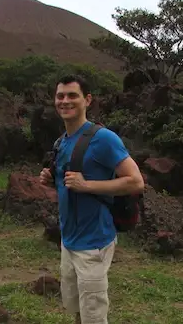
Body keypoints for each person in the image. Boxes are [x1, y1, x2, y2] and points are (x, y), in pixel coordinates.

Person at [39, 74, 144, 324]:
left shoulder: (103, 138)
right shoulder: (61, 142)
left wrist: (87, 185)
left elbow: (136, 181)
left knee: (94, 316)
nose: (65, 101)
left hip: (94, 241)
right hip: (69, 239)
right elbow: (67, 185)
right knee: (77, 308)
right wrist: (50, 179)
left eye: (72, 95)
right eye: (60, 96)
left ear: (87, 100)